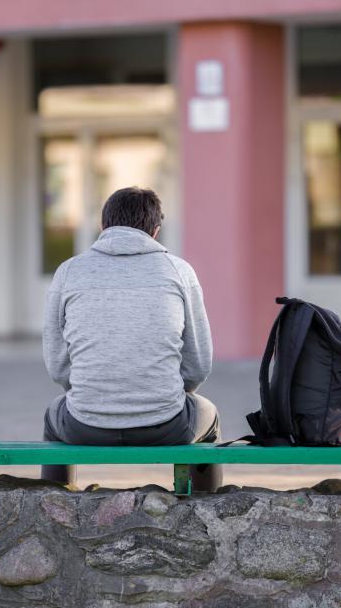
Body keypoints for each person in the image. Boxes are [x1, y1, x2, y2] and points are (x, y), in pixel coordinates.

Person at [41, 186, 222, 491]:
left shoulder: (69, 271)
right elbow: (199, 364)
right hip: (167, 425)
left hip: (85, 425)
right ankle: (204, 508)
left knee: (53, 416)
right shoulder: (178, 271)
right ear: (155, 231)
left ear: (103, 226)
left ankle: (57, 507)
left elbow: (58, 366)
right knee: (211, 416)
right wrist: (168, 394)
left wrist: (95, 394)